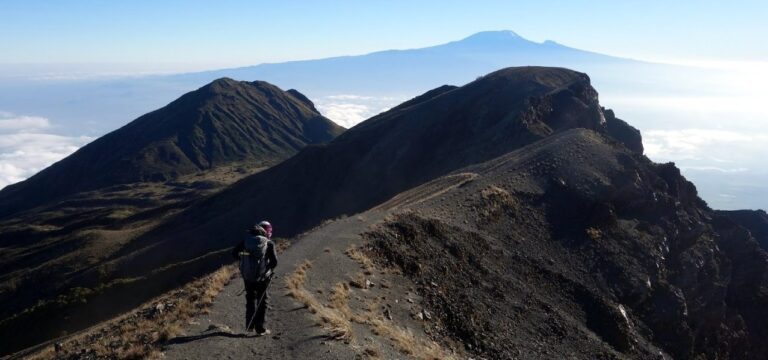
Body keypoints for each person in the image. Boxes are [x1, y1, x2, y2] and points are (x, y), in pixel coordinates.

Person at [232, 221, 278, 335]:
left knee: (250, 299)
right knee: (262, 301)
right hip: (263, 277)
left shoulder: (247, 241)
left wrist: (245, 262)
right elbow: (274, 262)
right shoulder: (269, 243)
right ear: (267, 231)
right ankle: (260, 328)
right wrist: (268, 270)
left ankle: (249, 326)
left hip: (248, 277)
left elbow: (234, 253)